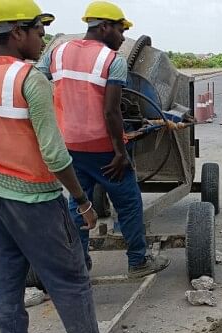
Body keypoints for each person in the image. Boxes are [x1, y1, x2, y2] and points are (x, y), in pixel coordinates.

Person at [0, 0, 101, 333]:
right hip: (35, 200)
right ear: (18, 32)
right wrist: (82, 201)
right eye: (39, 30)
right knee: (71, 283)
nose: (43, 38)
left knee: (8, 287)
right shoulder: (29, 78)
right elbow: (54, 154)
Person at [37, 0, 169, 277]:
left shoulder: (57, 53)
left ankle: (80, 264)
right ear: (105, 27)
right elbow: (111, 112)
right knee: (130, 203)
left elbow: (35, 83)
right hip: (104, 149)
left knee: (78, 204)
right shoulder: (112, 61)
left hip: (70, 146)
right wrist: (120, 153)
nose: (122, 38)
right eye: (120, 31)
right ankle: (138, 262)